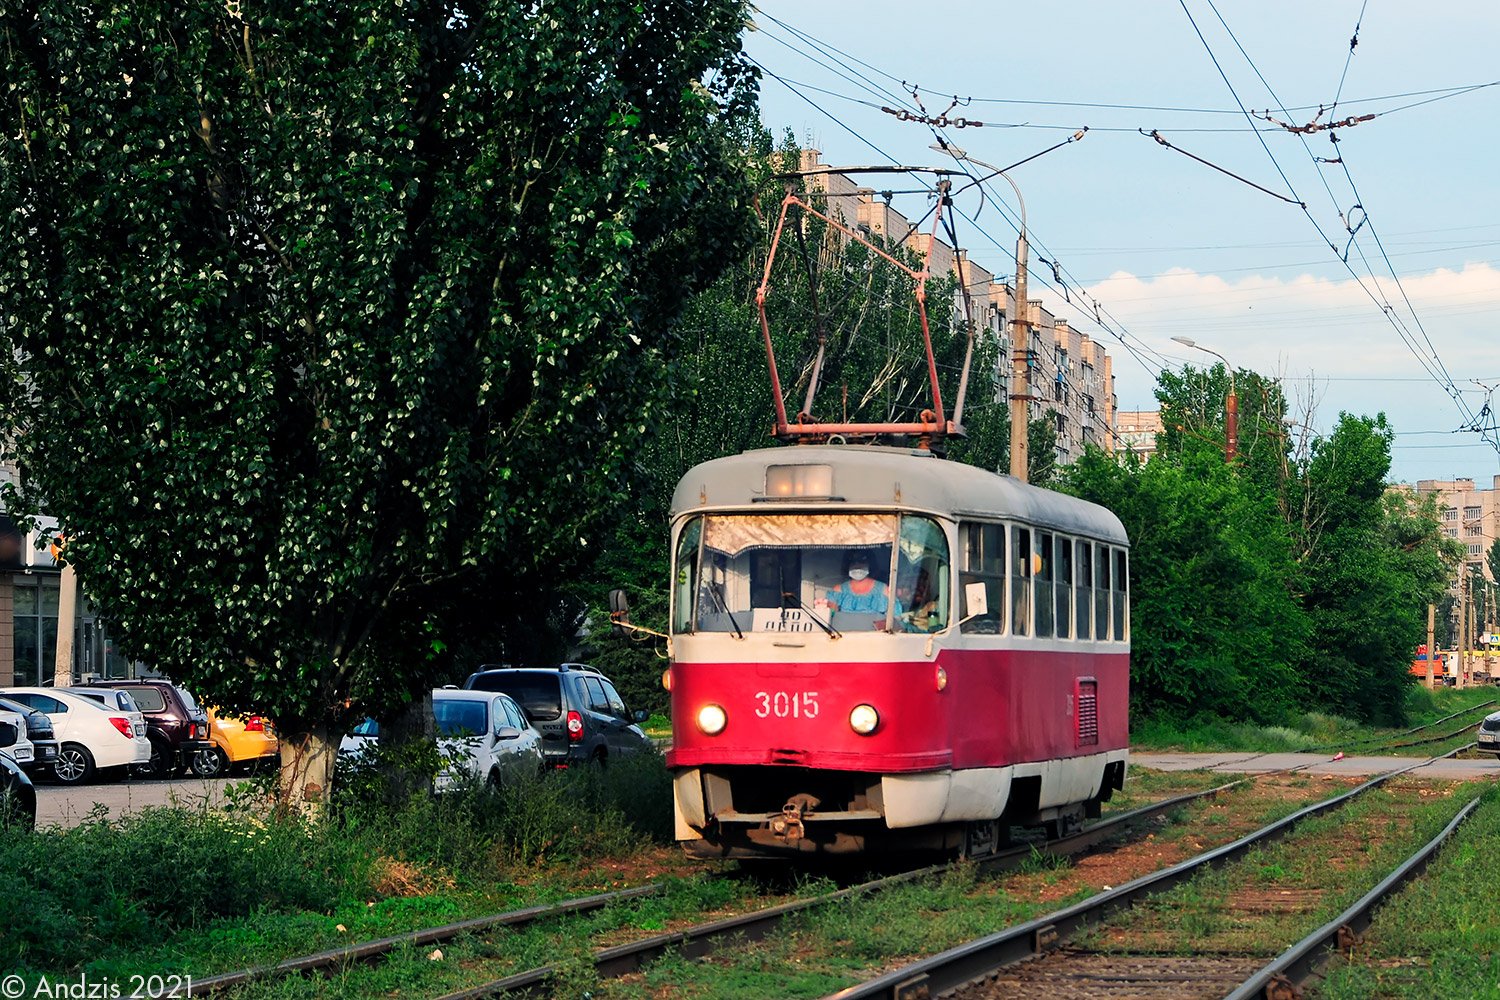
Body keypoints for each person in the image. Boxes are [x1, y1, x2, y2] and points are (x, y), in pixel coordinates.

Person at [827, 553, 902, 624]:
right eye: (853, 561)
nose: (857, 565)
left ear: (870, 563)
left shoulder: (884, 590)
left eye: (862, 560)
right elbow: (829, 616)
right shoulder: (838, 591)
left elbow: (895, 620)